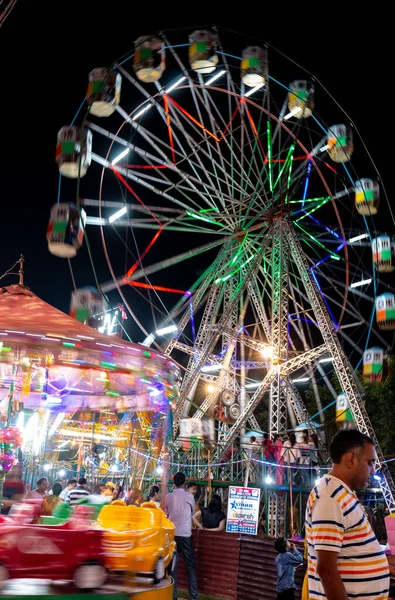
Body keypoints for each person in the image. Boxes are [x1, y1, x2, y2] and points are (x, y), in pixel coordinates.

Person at [306, 429, 390, 600]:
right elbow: (326, 568)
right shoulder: (330, 497)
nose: (373, 470)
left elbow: (349, 553)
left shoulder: (341, 493)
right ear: (351, 459)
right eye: (370, 463)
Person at [166, 472, 198, 600]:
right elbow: (193, 512)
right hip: (185, 534)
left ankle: (173, 597)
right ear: (184, 483)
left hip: (173, 534)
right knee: (190, 566)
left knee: (173, 566)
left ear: (174, 482)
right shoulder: (189, 496)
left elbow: (166, 513)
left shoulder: (168, 496)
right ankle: (193, 597)